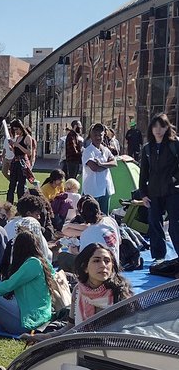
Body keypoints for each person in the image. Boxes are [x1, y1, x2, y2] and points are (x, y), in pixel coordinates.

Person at [138, 112, 179, 262]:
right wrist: (143, 194)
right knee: (155, 223)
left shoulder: (175, 144)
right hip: (153, 192)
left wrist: (174, 178)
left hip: (173, 191)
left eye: (161, 126)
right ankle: (158, 256)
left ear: (167, 127)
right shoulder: (148, 148)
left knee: (175, 225)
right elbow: (143, 173)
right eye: (155, 126)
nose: (158, 129)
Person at [72, 244, 133, 325]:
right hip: (82, 337)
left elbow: (130, 328)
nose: (103, 265)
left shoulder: (120, 293)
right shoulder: (78, 290)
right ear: (85, 267)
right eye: (96, 261)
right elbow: (70, 326)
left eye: (107, 261)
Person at [4, 193, 53, 260]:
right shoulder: (32, 223)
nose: (39, 217)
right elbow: (42, 252)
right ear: (28, 213)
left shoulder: (9, 224)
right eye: (37, 214)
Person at [81, 123, 116, 214]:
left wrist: (101, 164)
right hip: (93, 190)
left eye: (100, 135)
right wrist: (107, 165)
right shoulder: (88, 152)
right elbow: (95, 168)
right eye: (95, 135)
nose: (98, 138)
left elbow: (115, 163)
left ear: (104, 135)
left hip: (105, 188)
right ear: (91, 137)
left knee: (105, 216)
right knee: (91, 216)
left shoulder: (106, 150)